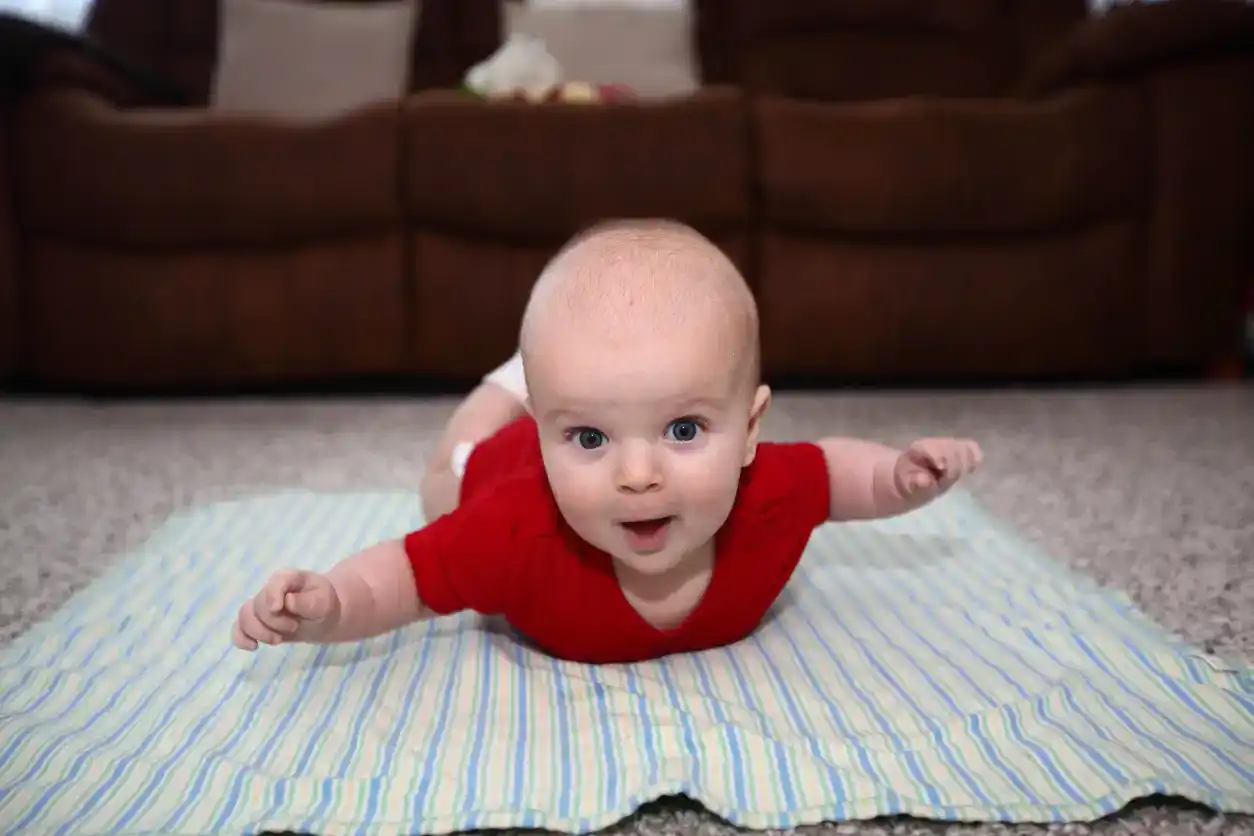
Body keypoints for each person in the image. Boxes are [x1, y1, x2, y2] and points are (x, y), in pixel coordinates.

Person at [231, 219, 982, 664]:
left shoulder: (767, 495)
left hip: (555, 451)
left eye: (684, 430)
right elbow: (398, 578)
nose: (637, 475)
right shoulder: (512, 533)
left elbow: (838, 475)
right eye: (592, 435)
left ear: (751, 431)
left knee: (591, 409)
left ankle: (554, 395)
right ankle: (510, 388)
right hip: (496, 473)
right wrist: (328, 604)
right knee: (445, 472)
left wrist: (899, 477)